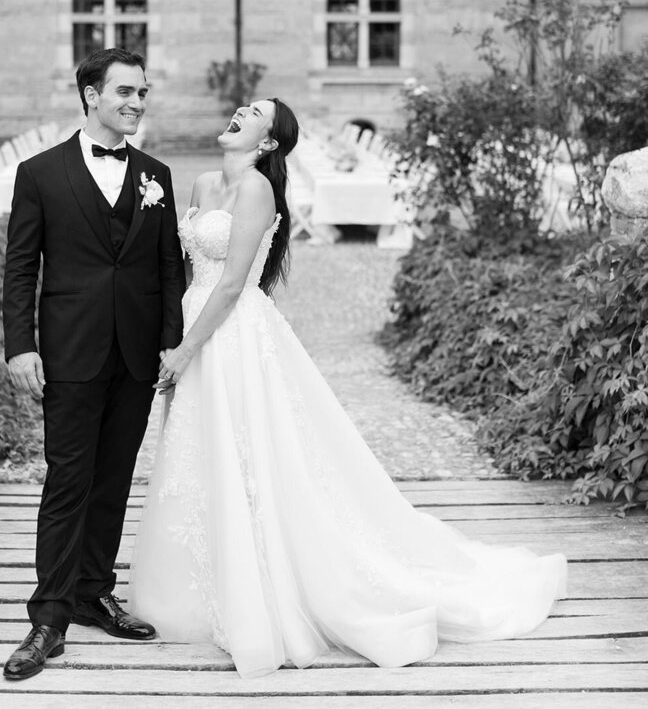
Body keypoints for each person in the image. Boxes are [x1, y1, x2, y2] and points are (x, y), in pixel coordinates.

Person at [130, 97, 567, 679]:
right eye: (243, 106)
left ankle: (265, 582)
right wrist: (173, 337)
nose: (239, 110)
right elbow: (187, 273)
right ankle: (202, 581)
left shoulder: (257, 190)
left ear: (267, 143)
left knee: (255, 455)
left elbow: (234, 283)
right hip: (194, 323)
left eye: (255, 112)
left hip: (234, 335)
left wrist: (186, 350)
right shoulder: (202, 182)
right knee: (197, 454)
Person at [1, 48, 186, 681]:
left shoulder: (156, 174)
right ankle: (48, 616)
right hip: (70, 349)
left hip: (136, 356)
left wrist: (171, 344)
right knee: (67, 482)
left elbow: (168, 269)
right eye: (126, 92)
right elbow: (21, 265)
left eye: (143, 93)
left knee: (113, 480)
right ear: (90, 95)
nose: (137, 103)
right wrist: (19, 345)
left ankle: (94, 592)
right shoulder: (40, 174)